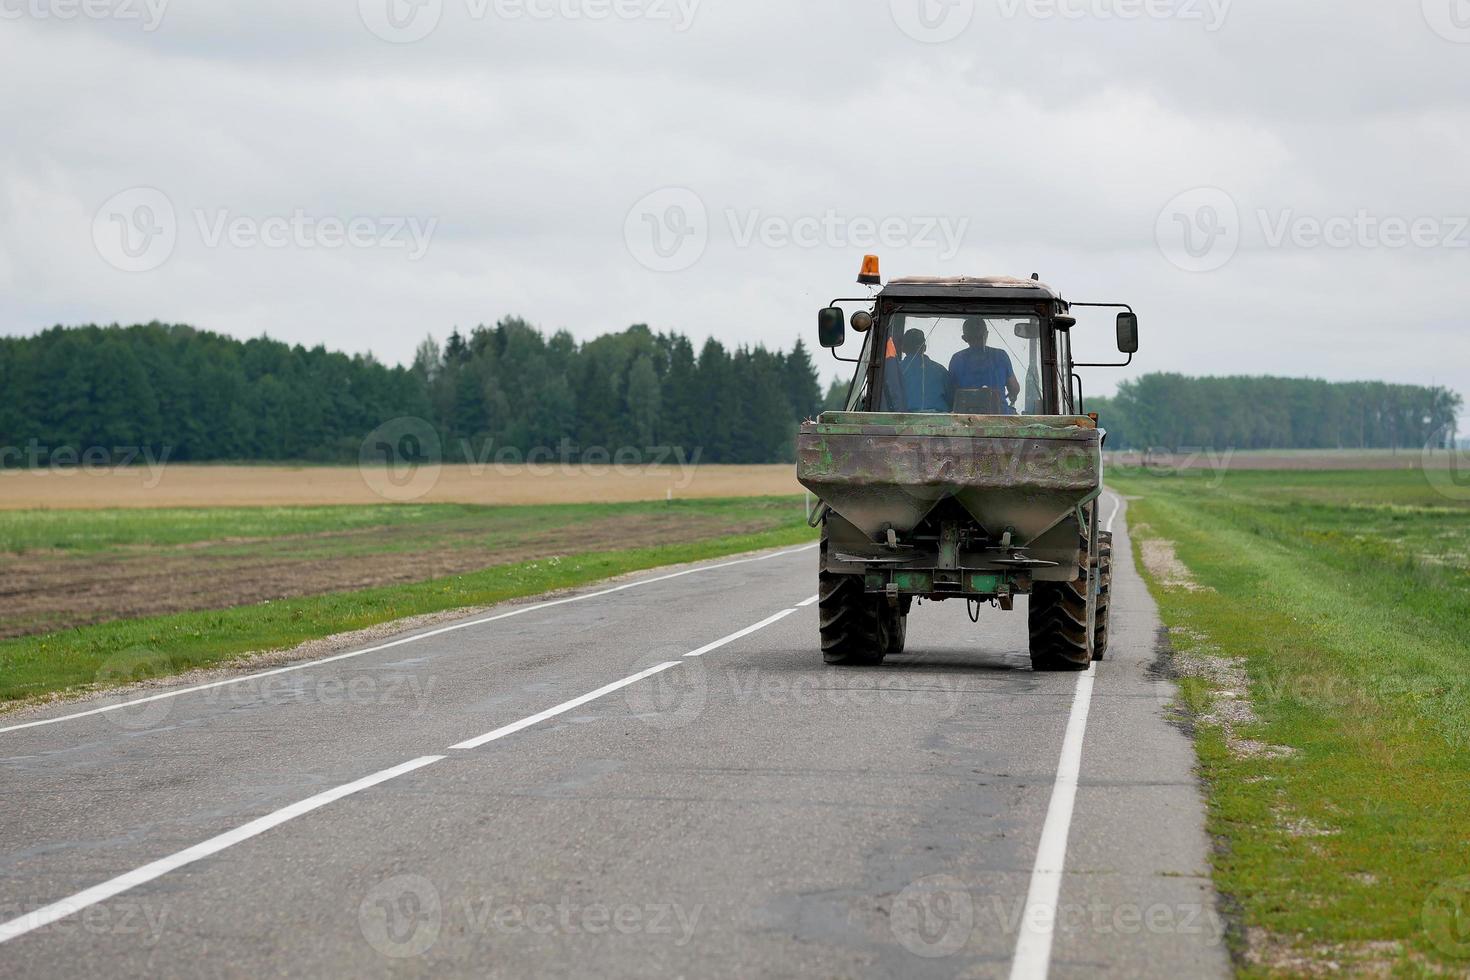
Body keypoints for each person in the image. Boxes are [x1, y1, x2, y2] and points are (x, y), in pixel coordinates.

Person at [948, 317, 1020, 414]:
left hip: (966, 420)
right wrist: (1013, 395)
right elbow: (1014, 388)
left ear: (964, 338)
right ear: (986, 334)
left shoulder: (956, 359)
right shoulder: (1001, 355)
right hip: (999, 417)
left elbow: (951, 393)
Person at [897, 328, 952, 413]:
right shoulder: (940, 370)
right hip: (939, 420)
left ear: (903, 348)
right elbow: (951, 399)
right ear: (924, 347)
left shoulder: (895, 370)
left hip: (903, 420)